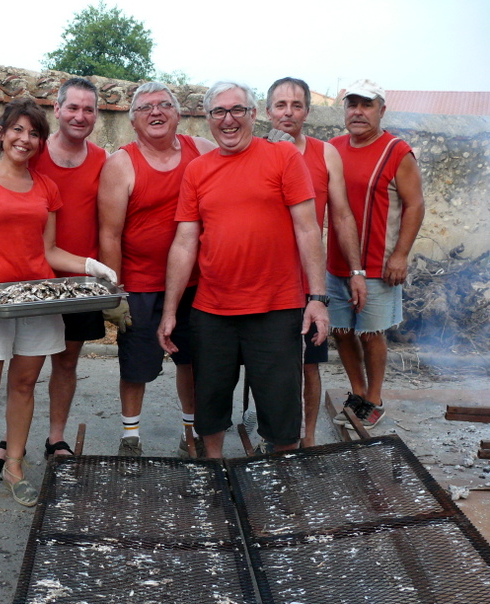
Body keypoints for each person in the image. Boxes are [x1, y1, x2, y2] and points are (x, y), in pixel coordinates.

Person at [0, 98, 116, 514]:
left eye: (34, 133)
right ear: (2, 133)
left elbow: (50, 251)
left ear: (40, 141)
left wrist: (91, 266)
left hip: (37, 300)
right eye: (17, 130)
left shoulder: (45, 188)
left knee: (23, 387)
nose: (25, 139)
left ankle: (15, 468)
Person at [158, 81, 329, 458]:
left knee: (282, 417)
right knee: (210, 410)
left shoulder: (284, 158)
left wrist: (317, 298)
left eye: (237, 110)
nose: (228, 119)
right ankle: (214, 474)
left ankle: (279, 486)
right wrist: (170, 311)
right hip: (212, 310)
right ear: (207, 119)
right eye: (219, 112)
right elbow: (185, 242)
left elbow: (307, 228)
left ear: (253, 115)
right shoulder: (197, 170)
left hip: (277, 308)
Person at [0, 77, 107, 474]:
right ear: (58, 109)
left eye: (88, 109)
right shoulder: (32, 152)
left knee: (66, 363)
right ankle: (9, 440)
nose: (80, 116)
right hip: (27, 280)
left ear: (97, 115)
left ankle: (56, 438)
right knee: (21, 370)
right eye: (73, 107)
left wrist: (106, 276)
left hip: (76, 284)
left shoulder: (103, 160)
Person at [98, 82, 216, 457]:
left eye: (165, 105)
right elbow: (110, 235)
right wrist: (114, 293)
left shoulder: (203, 152)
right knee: (135, 365)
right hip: (140, 284)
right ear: (133, 120)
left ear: (179, 115)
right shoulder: (121, 164)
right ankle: (130, 435)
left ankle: (191, 432)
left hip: (195, 283)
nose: (156, 112)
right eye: (146, 107)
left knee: (193, 360)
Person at [265, 77, 368, 447]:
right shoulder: (252, 151)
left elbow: (341, 216)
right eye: (280, 105)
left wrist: (357, 272)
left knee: (310, 362)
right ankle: (274, 435)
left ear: (307, 111)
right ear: (267, 111)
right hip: (263, 280)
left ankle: (307, 439)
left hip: (308, 279)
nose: (288, 112)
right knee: (268, 366)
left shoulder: (325, 154)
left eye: (296, 105)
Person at [328, 79, 425, 430]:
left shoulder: (397, 152)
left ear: (381, 110)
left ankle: (375, 399)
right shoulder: (333, 148)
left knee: (371, 334)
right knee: (340, 330)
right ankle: (357, 395)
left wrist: (400, 255)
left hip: (379, 265)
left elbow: (415, 205)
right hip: (336, 262)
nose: (357, 111)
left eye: (366, 105)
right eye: (351, 104)